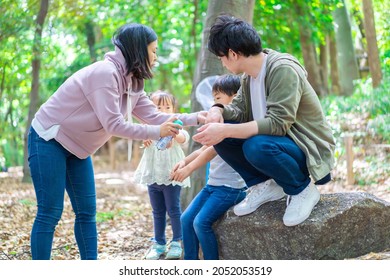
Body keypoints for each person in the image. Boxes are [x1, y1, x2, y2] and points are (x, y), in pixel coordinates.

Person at [27, 23, 206, 260]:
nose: (155, 57)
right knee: (50, 212)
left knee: (87, 212)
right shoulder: (105, 74)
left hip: (78, 149)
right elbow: (114, 125)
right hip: (48, 138)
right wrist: (158, 132)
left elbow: (155, 116)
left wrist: (197, 117)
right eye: (153, 51)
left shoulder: (132, 82)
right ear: (138, 50)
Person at [193, 15, 335, 227]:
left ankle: (302, 189)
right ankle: (266, 185)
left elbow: (278, 124)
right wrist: (217, 109)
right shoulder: (248, 76)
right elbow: (239, 110)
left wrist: (224, 130)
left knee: (254, 144)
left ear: (233, 54)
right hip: (279, 146)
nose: (222, 62)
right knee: (224, 136)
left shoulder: (282, 69)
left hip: (305, 149)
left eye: (221, 57)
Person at [170, 74, 247, 260]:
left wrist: (188, 170)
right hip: (213, 186)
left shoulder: (235, 124)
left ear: (235, 97)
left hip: (230, 189)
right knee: (186, 220)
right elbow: (203, 149)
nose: (214, 105)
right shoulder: (220, 124)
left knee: (200, 223)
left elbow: (212, 151)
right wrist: (184, 161)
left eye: (218, 99)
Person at [133, 90, 190, 260]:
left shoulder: (177, 127)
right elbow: (143, 140)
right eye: (158, 107)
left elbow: (184, 138)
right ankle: (158, 243)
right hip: (153, 175)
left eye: (167, 107)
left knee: (173, 210)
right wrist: (146, 139)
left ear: (174, 110)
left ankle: (177, 242)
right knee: (157, 211)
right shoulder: (149, 128)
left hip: (171, 176)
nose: (163, 111)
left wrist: (175, 134)